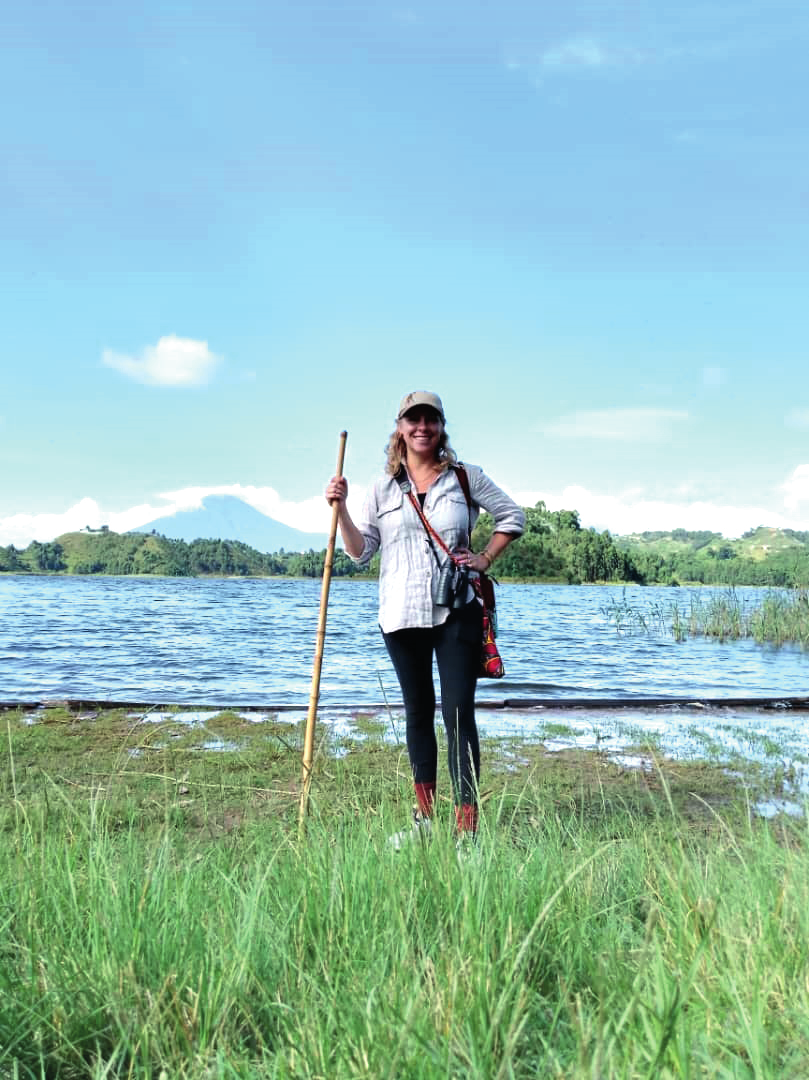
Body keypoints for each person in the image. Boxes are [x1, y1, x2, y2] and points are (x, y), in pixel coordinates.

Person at [325, 391, 525, 846]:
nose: (422, 427)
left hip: (457, 611)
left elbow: (513, 516)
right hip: (399, 613)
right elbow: (360, 552)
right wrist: (340, 509)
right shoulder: (382, 486)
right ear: (399, 427)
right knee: (417, 714)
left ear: (441, 426)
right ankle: (424, 821)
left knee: (458, 717)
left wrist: (484, 557)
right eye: (413, 419)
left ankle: (467, 831)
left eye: (430, 419)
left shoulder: (465, 478)